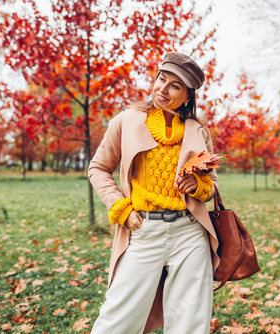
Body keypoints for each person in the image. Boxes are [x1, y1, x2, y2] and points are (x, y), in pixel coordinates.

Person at [88, 52, 220, 334]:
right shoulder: (126, 121)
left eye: (175, 86)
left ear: (187, 96)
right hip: (144, 230)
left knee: (190, 322)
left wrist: (200, 187)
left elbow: (212, 185)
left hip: (190, 232)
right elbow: (98, 168)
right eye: (162, 79)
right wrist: (120, 207)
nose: (163, 88)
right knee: (117, 319)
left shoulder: (198, 131)